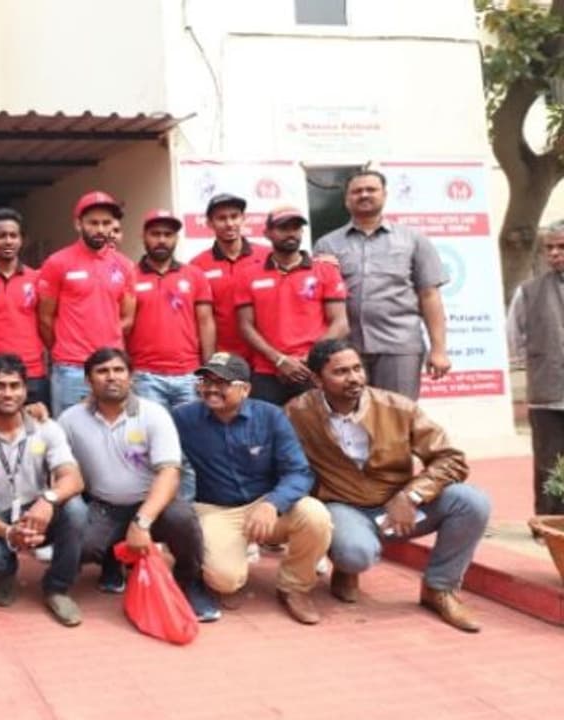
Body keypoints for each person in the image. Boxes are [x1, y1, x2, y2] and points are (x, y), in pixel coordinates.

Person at [286, 339, 490, 632]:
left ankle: (439, 589)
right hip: (343, 507)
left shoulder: (398, 407)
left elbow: (451, 459)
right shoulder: (297, 413)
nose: (354, 377)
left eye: (357, 368)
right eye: (341, 372)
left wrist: (412, 495)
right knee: (356, 553)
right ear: (317, 379)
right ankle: (346, 565)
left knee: (472, 503)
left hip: (400, 508)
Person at [57, 348, 220, 622]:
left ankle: (191, 581)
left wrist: (142, 522)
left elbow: (169, 472)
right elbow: (52, 459)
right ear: (88, 380)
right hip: (105, 507)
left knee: (182, 518)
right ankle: (112, 559)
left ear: (131, 377)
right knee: (79, 544)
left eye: (119, 370)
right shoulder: (71, 419)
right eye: (102, 371)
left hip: (152, 506)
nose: (112, 377)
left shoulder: (154, 414)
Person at [170, 353, 332, 624]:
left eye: (222, 382)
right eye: (206, 381)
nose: (210, 388)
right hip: (216, 509)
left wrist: (272, 503)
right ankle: (231, 568)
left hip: (267, 505)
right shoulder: (183, 418)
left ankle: (295, 587)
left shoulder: (271, 417)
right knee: (224, 580)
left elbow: (298, 471)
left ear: (245, 389)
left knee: (316, 516)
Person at [0, 354, 89, 625]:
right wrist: (9, 532)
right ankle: (5, 573)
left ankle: (57, 588)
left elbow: (74, 479)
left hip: (39, 514)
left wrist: (48, 500)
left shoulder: (46, 428)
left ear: (25, 390)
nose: (7, 393)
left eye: (15, 386)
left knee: (76, 510)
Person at [313, 170, 450, 399]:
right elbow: (316, 299)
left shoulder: (413, 240)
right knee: (352, 420)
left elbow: (429, 295)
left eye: (371, 190)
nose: (364, 195)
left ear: (384, 195)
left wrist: (439, 350)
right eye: (357, 191)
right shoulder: (327, 244)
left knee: (397, 418)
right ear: (347, 199)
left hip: (399, 346)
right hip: (346, 349)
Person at [236, 206, 349, 406]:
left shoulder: (325, 271)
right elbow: (245, 326)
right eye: (283, 228)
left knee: (316, 434)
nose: (290, 233)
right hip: (267, 370)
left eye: (296, 227)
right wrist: (279, 360)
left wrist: (308, 359)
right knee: (265, 435)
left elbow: (340, 323)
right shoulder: (248, 274)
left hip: (313, 369)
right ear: (267, 233)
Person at [38, 191, 136, 415]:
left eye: (106, 223)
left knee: (115, 434)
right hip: (71, 369)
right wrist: (66, 346)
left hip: (112, 368)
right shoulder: (57, 262)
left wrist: (105, 337)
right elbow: (45, 318)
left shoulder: (125, 265)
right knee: (70, 438)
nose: (100, 229)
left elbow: (128, 318)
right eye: (93, 223)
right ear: (78, 224)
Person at [126, 208, 215, 410]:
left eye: (168, 235)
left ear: (176, 238)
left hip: (188, 375)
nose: (162, 240)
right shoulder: (129, 276)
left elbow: (206, 322)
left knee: (191, 437)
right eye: (155, 234)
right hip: (144, 375)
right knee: (149, 438)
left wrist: (208, 370)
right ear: (143, 237)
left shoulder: (194, 275)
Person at [508, 222, 564, 515]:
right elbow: (514, 335)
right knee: (548, 459)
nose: (554, 253)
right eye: (550, 248)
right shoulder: (529, 291)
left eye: (561, 247)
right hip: (548, 391)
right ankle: (550, 521)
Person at [0, 208, 49, 408]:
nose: (8, 241)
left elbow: (48, 321)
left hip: (31, 374)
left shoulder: (37, 279)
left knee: (35, 437)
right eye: (1, 236)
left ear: (21, 240)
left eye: (13, 236)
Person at [190, 193, 268, 361]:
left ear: (243, 218)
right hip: (222, 358)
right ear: (210, 223)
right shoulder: (197, 265)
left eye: (234, 217)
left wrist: (322, 261)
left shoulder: (267, 256)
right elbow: (200, 319)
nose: (229, 224)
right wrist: (208, 361)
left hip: (265, 356)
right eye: (221, 218)